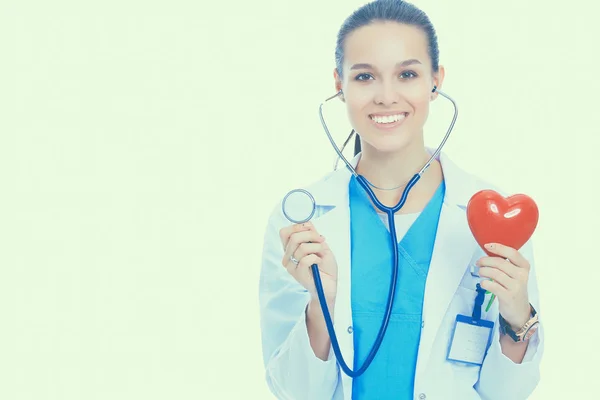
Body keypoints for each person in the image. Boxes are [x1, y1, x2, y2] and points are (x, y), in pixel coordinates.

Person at [258, 1, 544, 399]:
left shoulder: (490, 219)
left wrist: (517, 317)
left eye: (407, 74)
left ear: (435, 81)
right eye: (365, 77)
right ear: (340, 85)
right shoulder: (301, 224)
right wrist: (321, 306)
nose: (386, 96)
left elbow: (506, 393)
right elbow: (294, 391)